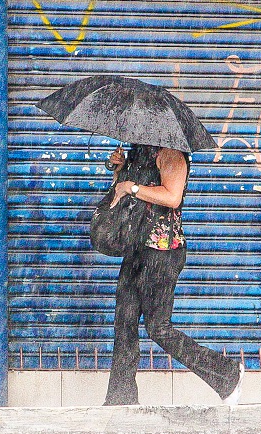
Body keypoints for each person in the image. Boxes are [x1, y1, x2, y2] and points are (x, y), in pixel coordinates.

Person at [103, 143, 243, 406]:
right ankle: (120, 400)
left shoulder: (171, 156)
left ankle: (226, 373)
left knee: (158, 328)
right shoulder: (140, 153)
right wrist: (119, 171)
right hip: (136, 248)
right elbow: (124, 197)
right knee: (124, 326)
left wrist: (131, 186)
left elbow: (172, 197)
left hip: (162, 253)